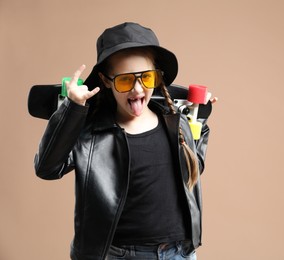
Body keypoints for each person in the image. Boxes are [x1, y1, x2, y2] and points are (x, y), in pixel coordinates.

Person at [34, 22, 216, 260]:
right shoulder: (91, 134)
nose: (137, 88)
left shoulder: (174, 121)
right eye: (124, 80)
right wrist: (72, 109)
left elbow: (192, 171)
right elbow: (47, 168)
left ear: (157, 77)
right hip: (120, 255)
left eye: (146, 77)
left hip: (179, 253)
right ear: (106, 80)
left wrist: (199, 120)